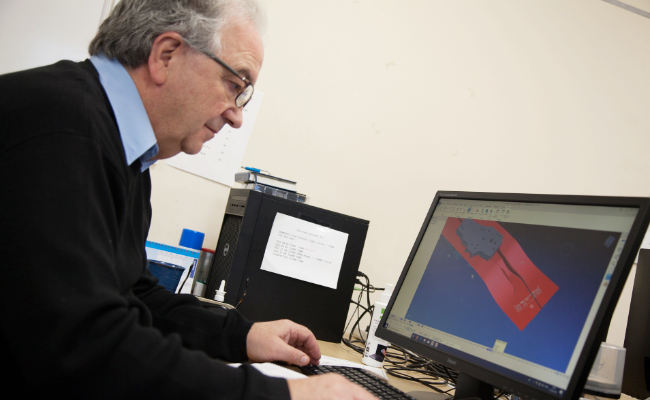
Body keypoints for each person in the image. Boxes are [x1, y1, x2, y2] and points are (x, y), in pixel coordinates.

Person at [0, 1, 378, 399]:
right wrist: (288, 395)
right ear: (166, 55)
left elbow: (135, 296)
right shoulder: (61, 127)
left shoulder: (119, 147)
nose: (237, 117)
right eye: (235, 84)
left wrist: (243, 335)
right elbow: (87, 347)